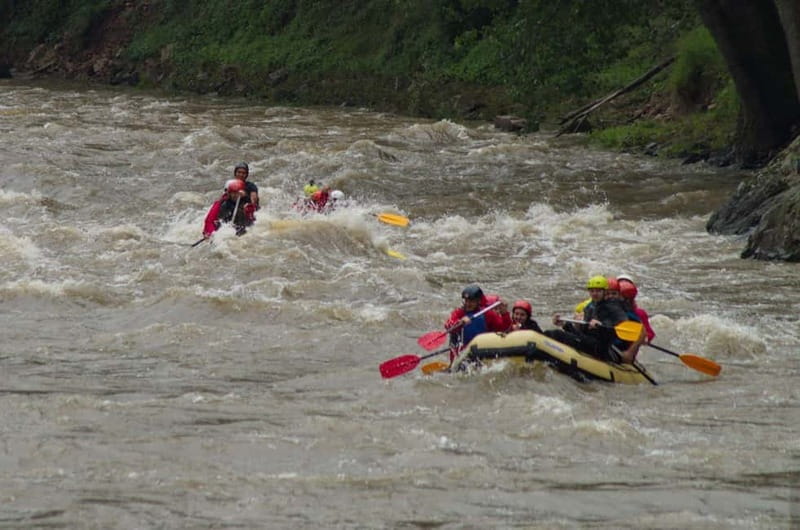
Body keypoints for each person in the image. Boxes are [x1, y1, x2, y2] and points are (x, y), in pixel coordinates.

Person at [545, 275, 643, 364]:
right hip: (588, 342)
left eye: (598, 291)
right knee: (552, 333)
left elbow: (619, 324)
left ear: (604, 292)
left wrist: (602, 325)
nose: (595, 294)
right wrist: (564, 324)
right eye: (592, 291)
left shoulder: (614, 307)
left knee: (557, 335)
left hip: (601, 348)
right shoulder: (589, 307)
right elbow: (582, 332)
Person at [445, 285, 511, 359]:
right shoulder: (458, 313)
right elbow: (448, 325)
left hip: (482, 351)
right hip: (462, 353)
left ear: (479, 301)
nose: (468, 304)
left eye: (471, 301)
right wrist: (460, 322)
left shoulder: (487, 314)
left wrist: (505, 314)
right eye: (466, 301)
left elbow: (503, 327)